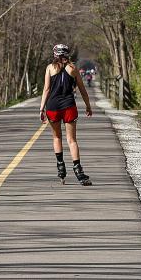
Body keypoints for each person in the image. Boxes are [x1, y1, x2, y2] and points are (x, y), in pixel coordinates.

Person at [40, 43, 93, 185]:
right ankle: (79, 172)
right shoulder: (73, 69)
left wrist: (41, 108)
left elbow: (46, 89)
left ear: (55, 54)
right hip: (69, 106)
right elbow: (82, 90)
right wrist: (88, 106)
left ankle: (61, 168)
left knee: (57, 137)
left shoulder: (50, 68)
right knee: (72, 140)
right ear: (67, 54)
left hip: (53, 107)